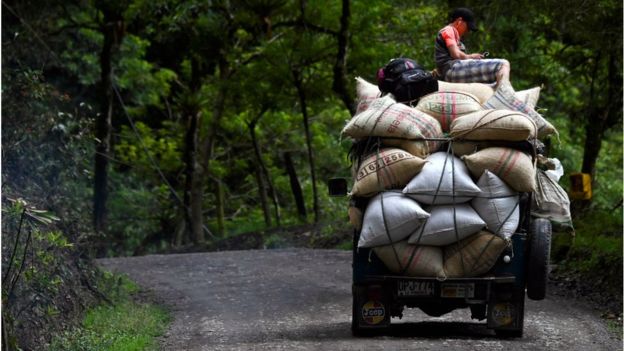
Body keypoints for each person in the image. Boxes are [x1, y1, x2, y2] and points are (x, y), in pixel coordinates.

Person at [434, 7, 510, 86]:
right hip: (451, 70)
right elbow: (455, 54)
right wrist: (471, 56)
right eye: (468, 28)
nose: (468, 31)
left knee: (494, 83)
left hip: (449, 71)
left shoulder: (455, 37)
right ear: (459, 21)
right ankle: (505, 93)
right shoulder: (449, 30)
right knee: (502, 64)